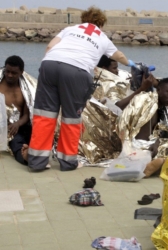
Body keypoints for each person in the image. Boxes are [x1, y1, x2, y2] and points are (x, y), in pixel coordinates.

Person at [28, 6, 135, 171]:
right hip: (77, 71)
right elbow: (118, 56)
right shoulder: (102, 37)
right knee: (71, 117)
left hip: (49, 64)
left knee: (45, 115)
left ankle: (37, 161)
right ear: (101, 24)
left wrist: (48, 68)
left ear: (83, 20)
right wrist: (132, 64)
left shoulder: (70, 29)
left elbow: (50, 47)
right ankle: (68, 162)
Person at [117, 77, 168, 158]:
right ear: (158, 90)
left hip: (148, 146)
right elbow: (118, 108)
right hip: (136, 148)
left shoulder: (164, 110)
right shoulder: (145, 100)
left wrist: (158, 142)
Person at [0, 56, 34, 165]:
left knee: (37, 134)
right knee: (16, 141)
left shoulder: (26, 89)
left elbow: (26, 114)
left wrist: (17, 124)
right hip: (4, 128)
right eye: (7, 71)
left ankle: (33, 150)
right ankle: (25, 155)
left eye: (14, 73)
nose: (9, 75)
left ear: (21, 72)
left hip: (20, 125)